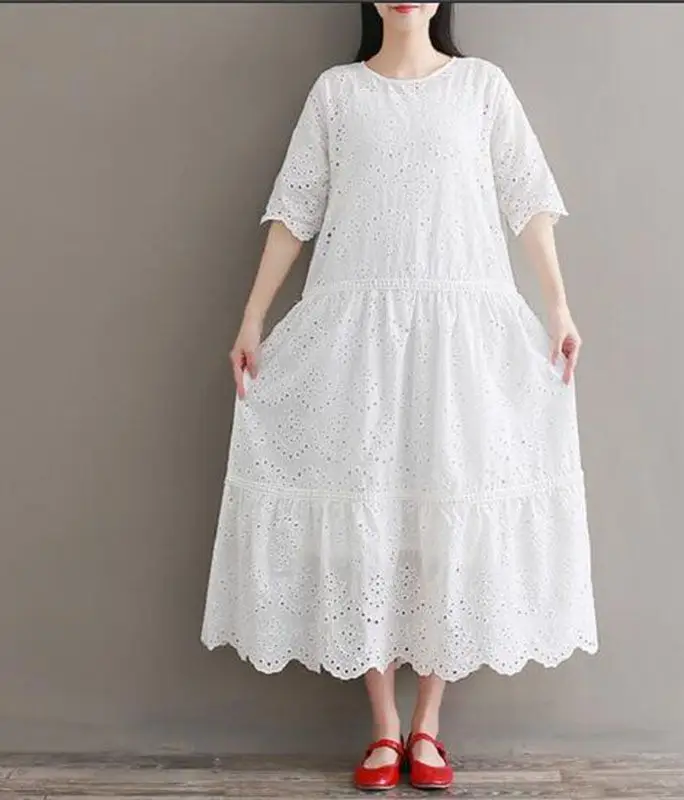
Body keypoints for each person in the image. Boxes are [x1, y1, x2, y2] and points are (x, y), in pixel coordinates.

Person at [200, 1, 598, 791]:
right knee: (367, 517)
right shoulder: (337, 93)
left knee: (451, 514)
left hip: (460, 342)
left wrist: (558, 307)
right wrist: (252, 317)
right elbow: (295, 211)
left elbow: (528, 199)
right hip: (360, 343)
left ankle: (429, 725)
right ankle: (384, 725)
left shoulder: (482, 87)